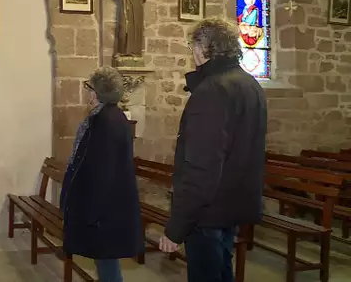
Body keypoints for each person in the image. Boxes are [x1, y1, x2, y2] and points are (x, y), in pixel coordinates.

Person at [159, 18, 267, 282]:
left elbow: (201, 169)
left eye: (192, 46)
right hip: (232, 206)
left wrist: (176, 228)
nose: (192, 53)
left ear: (202, 48)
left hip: (208, 212)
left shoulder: (211, 91)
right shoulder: (251, 86)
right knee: (221, 272)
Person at [60, 66, 143, 282]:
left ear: (97, 92)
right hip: (105, 208)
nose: (87, 92)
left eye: (89, 87)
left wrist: (91, 213)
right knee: (105, 260)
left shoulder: (106, 122)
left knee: (107, 262)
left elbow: (104, 171)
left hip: (104, 210)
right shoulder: (107, 117)